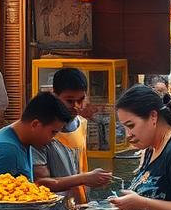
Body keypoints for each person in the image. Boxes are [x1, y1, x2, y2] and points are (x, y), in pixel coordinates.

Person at [32, 68, 112, 201]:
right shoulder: (41, 130)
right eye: (69, 101)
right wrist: (84, 178)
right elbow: (41, 182)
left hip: (79, 206)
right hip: (53, 209)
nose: (76, 106)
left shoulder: (82, 123)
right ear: (54, 95)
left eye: (80, 100)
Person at [0, 92, 74, 179]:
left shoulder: (23, 142)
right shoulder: (5, 150)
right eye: (53, 132)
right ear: (35, 124)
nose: (53, 139)